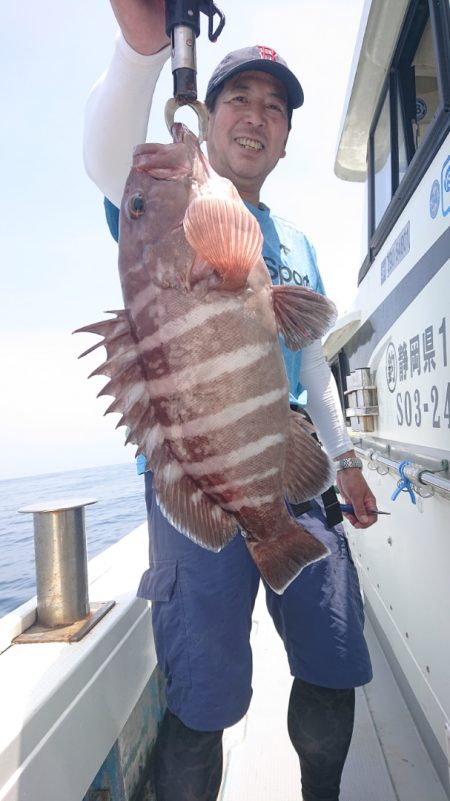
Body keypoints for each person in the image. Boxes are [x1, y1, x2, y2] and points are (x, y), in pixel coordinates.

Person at [83, 3, 377, 799]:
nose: (258, 117)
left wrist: (343, 460)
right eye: (240, 100)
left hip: (289, 462)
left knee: (332, 663)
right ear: (207, 118)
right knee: (203, 702)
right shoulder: (155, 207)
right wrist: (144, 52)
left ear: (284, 137)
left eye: (274, 109)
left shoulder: (298, 241)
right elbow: (107, 152)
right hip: (198, 471)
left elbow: (313, 365)